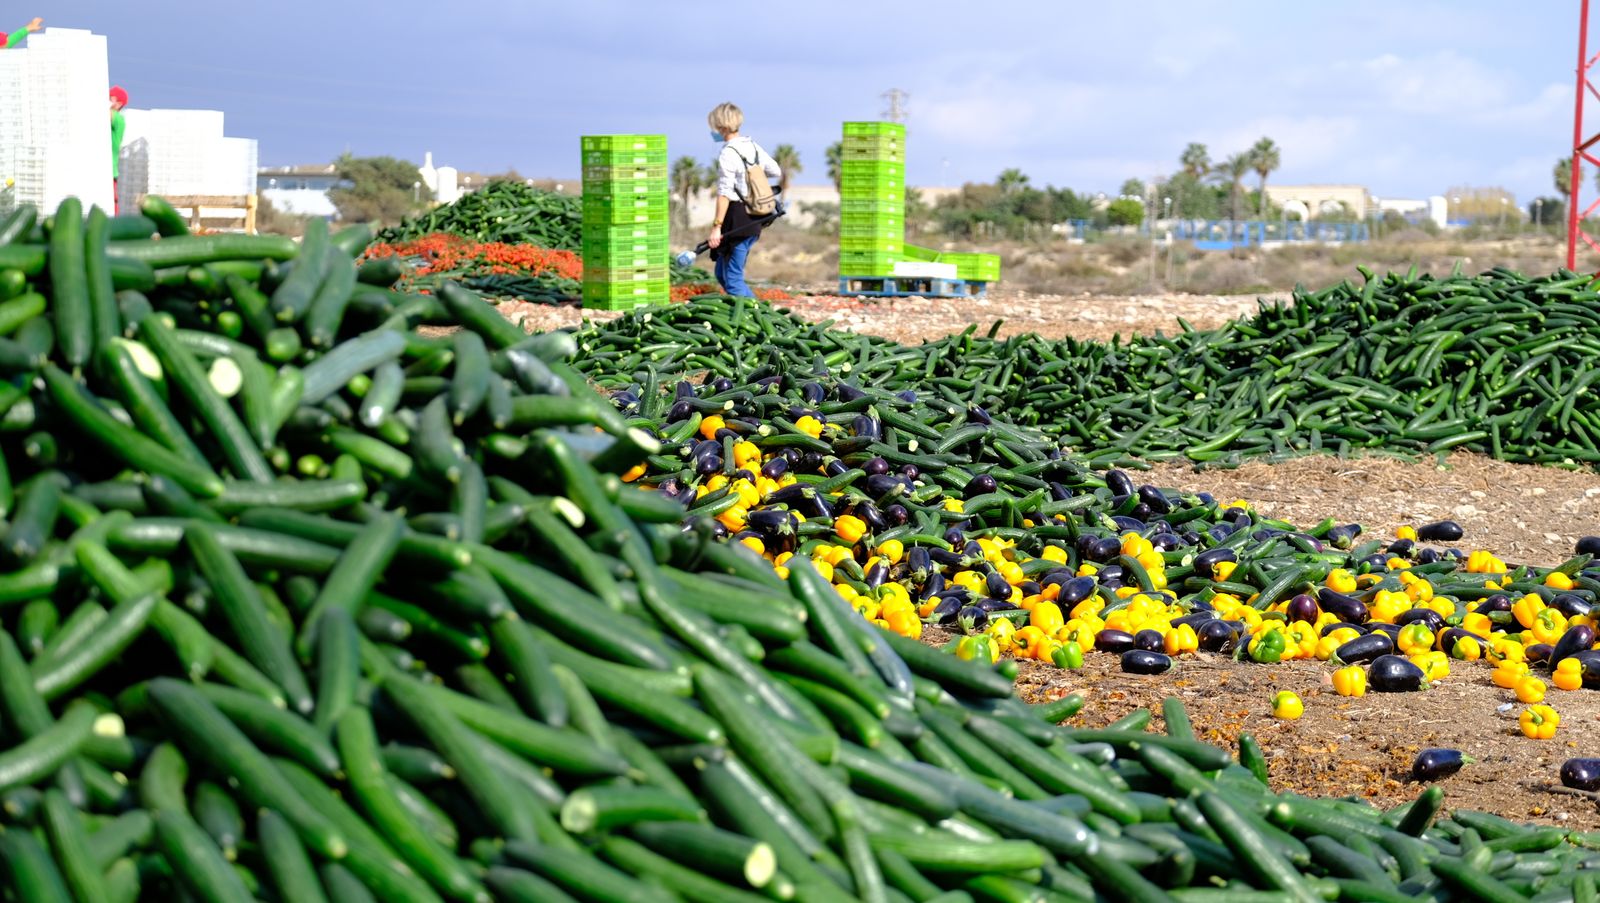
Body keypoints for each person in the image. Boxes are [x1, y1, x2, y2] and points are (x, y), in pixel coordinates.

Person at [706, 102, 781, 299]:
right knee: (721, 273)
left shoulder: (728, 153)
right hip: (755, 218)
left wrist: (717, 226)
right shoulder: (752, 146)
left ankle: (760, 317)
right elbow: (776, 171)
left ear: (721, 127)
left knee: (732, 279)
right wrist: (752, 177)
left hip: (736, 220)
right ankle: (752, 313)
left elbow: (725, 193)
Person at [110, 85, 128, 213]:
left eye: (111, 99)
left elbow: (108, 115)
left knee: (111, 204)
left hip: (109, 170)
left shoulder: (118, 118)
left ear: (119, 104)